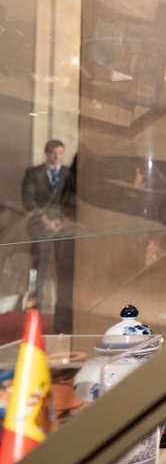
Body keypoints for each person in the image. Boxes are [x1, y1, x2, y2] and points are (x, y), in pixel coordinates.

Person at [20, 139, 76, 332]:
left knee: (64, 273)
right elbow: (28, 200)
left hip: (63, 228)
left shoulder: (69, 173)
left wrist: (63, 220)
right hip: (40, 226)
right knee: (39, 270)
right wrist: (45, 220)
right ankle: (34, 316)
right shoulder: (33, 173)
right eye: (53, 153)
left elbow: (73, 199)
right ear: (46, 152)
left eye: (60, 153)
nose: (56, 157)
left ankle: (63, 320)